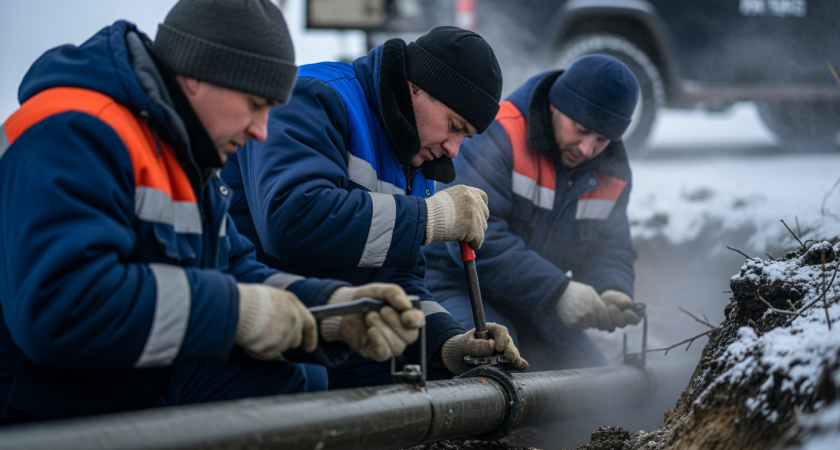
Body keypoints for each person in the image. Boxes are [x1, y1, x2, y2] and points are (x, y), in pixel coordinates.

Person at [0, 0, 423, 423]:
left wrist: (330, 307)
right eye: (255, 104)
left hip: (120, 377)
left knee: (297, 376)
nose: (261, 131)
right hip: (41, 394)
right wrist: (236, 312)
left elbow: (233, 267)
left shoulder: (180, 151)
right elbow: (61, 308)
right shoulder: (77, 129)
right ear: (197, 75)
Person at [220, 26, 528, 388]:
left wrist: (449, 345)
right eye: (454, 126)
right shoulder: (313, 96)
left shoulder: (413, 159)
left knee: (435, 378)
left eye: (466, 136)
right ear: (416, 85)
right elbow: (289, 220)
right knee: (307, 377)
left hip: (337, 325)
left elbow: (401, 278)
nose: (454, 149)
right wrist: (428, 218)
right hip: (250, 313)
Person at [424, 55, 643, 372]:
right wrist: (557, 292)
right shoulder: (499, 134)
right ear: (555, 105)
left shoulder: (613, 173)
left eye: (601, 139)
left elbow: (610, 246)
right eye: (580, 129)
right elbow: (474, 240)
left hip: (533, 302)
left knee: (596, 384)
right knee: (489, 373)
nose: (586, 149)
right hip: (457, 284)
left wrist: (613, 288)